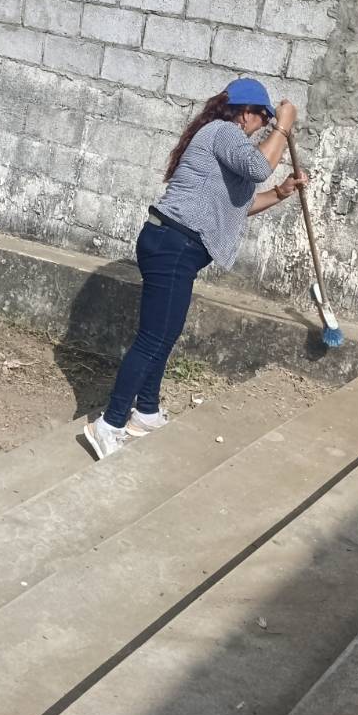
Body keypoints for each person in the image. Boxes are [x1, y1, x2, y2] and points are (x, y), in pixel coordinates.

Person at [85, 76, 306, 460]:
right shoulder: (223, 131)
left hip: (174, 244)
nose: (264, 126)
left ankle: (146, 412)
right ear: (246, 113)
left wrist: (280, 193)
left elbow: (236, 207)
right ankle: (109, 423)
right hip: (173, 244)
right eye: (264, 118)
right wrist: (284, 126)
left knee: (164, 334)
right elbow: (259, 167)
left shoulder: (225, 144)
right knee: (153, 338)